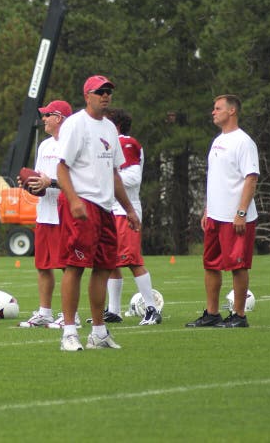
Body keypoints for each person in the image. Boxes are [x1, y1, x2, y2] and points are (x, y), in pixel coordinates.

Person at [56, 75, 140, 351]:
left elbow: (114, 173)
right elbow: (62, 167)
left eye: (109, 92)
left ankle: (99, 332)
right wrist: (74, 200)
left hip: (105, 207)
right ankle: (69, 332)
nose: (106, 96)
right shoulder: (75, 125)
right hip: (82, 204)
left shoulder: (110, 129)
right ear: (87, 96)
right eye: (100, 91)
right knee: (76, 266)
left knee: (104, 268)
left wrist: (128, 209)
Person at [186, 94, 259, 328]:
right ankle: (212, 313)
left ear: (232, 111)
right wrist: (208, 209)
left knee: (238, 266)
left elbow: (251, 178)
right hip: (216, 216)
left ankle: (239, 315)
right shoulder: (218, 140)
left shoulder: (243, 141)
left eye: (218, 108)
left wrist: (241, 212)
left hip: (235, 217)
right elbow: (217, 179)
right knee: (211, 264)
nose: (213, 112)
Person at [16, 100, 77, 328]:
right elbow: (39, 179)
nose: (43, 119)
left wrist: (49, 182)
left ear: (59, 117)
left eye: (47, 115)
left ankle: (71, 315)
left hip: (65, 213)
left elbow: (77, 181)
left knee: (67, 267)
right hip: (45, 213)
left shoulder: (72, 144)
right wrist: (30, 184)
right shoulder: (44, 146)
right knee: (43, 266)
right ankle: (45, 312)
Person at [104, 108, 162, 326]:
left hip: (125, 211)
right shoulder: (110, 143)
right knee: (110, 262)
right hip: (111, 210)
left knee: (132, 260)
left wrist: (101, 178)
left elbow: (133, 177)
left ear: (115, 124)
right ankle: (113, 310)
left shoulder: (125, 142)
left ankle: (152, 308)